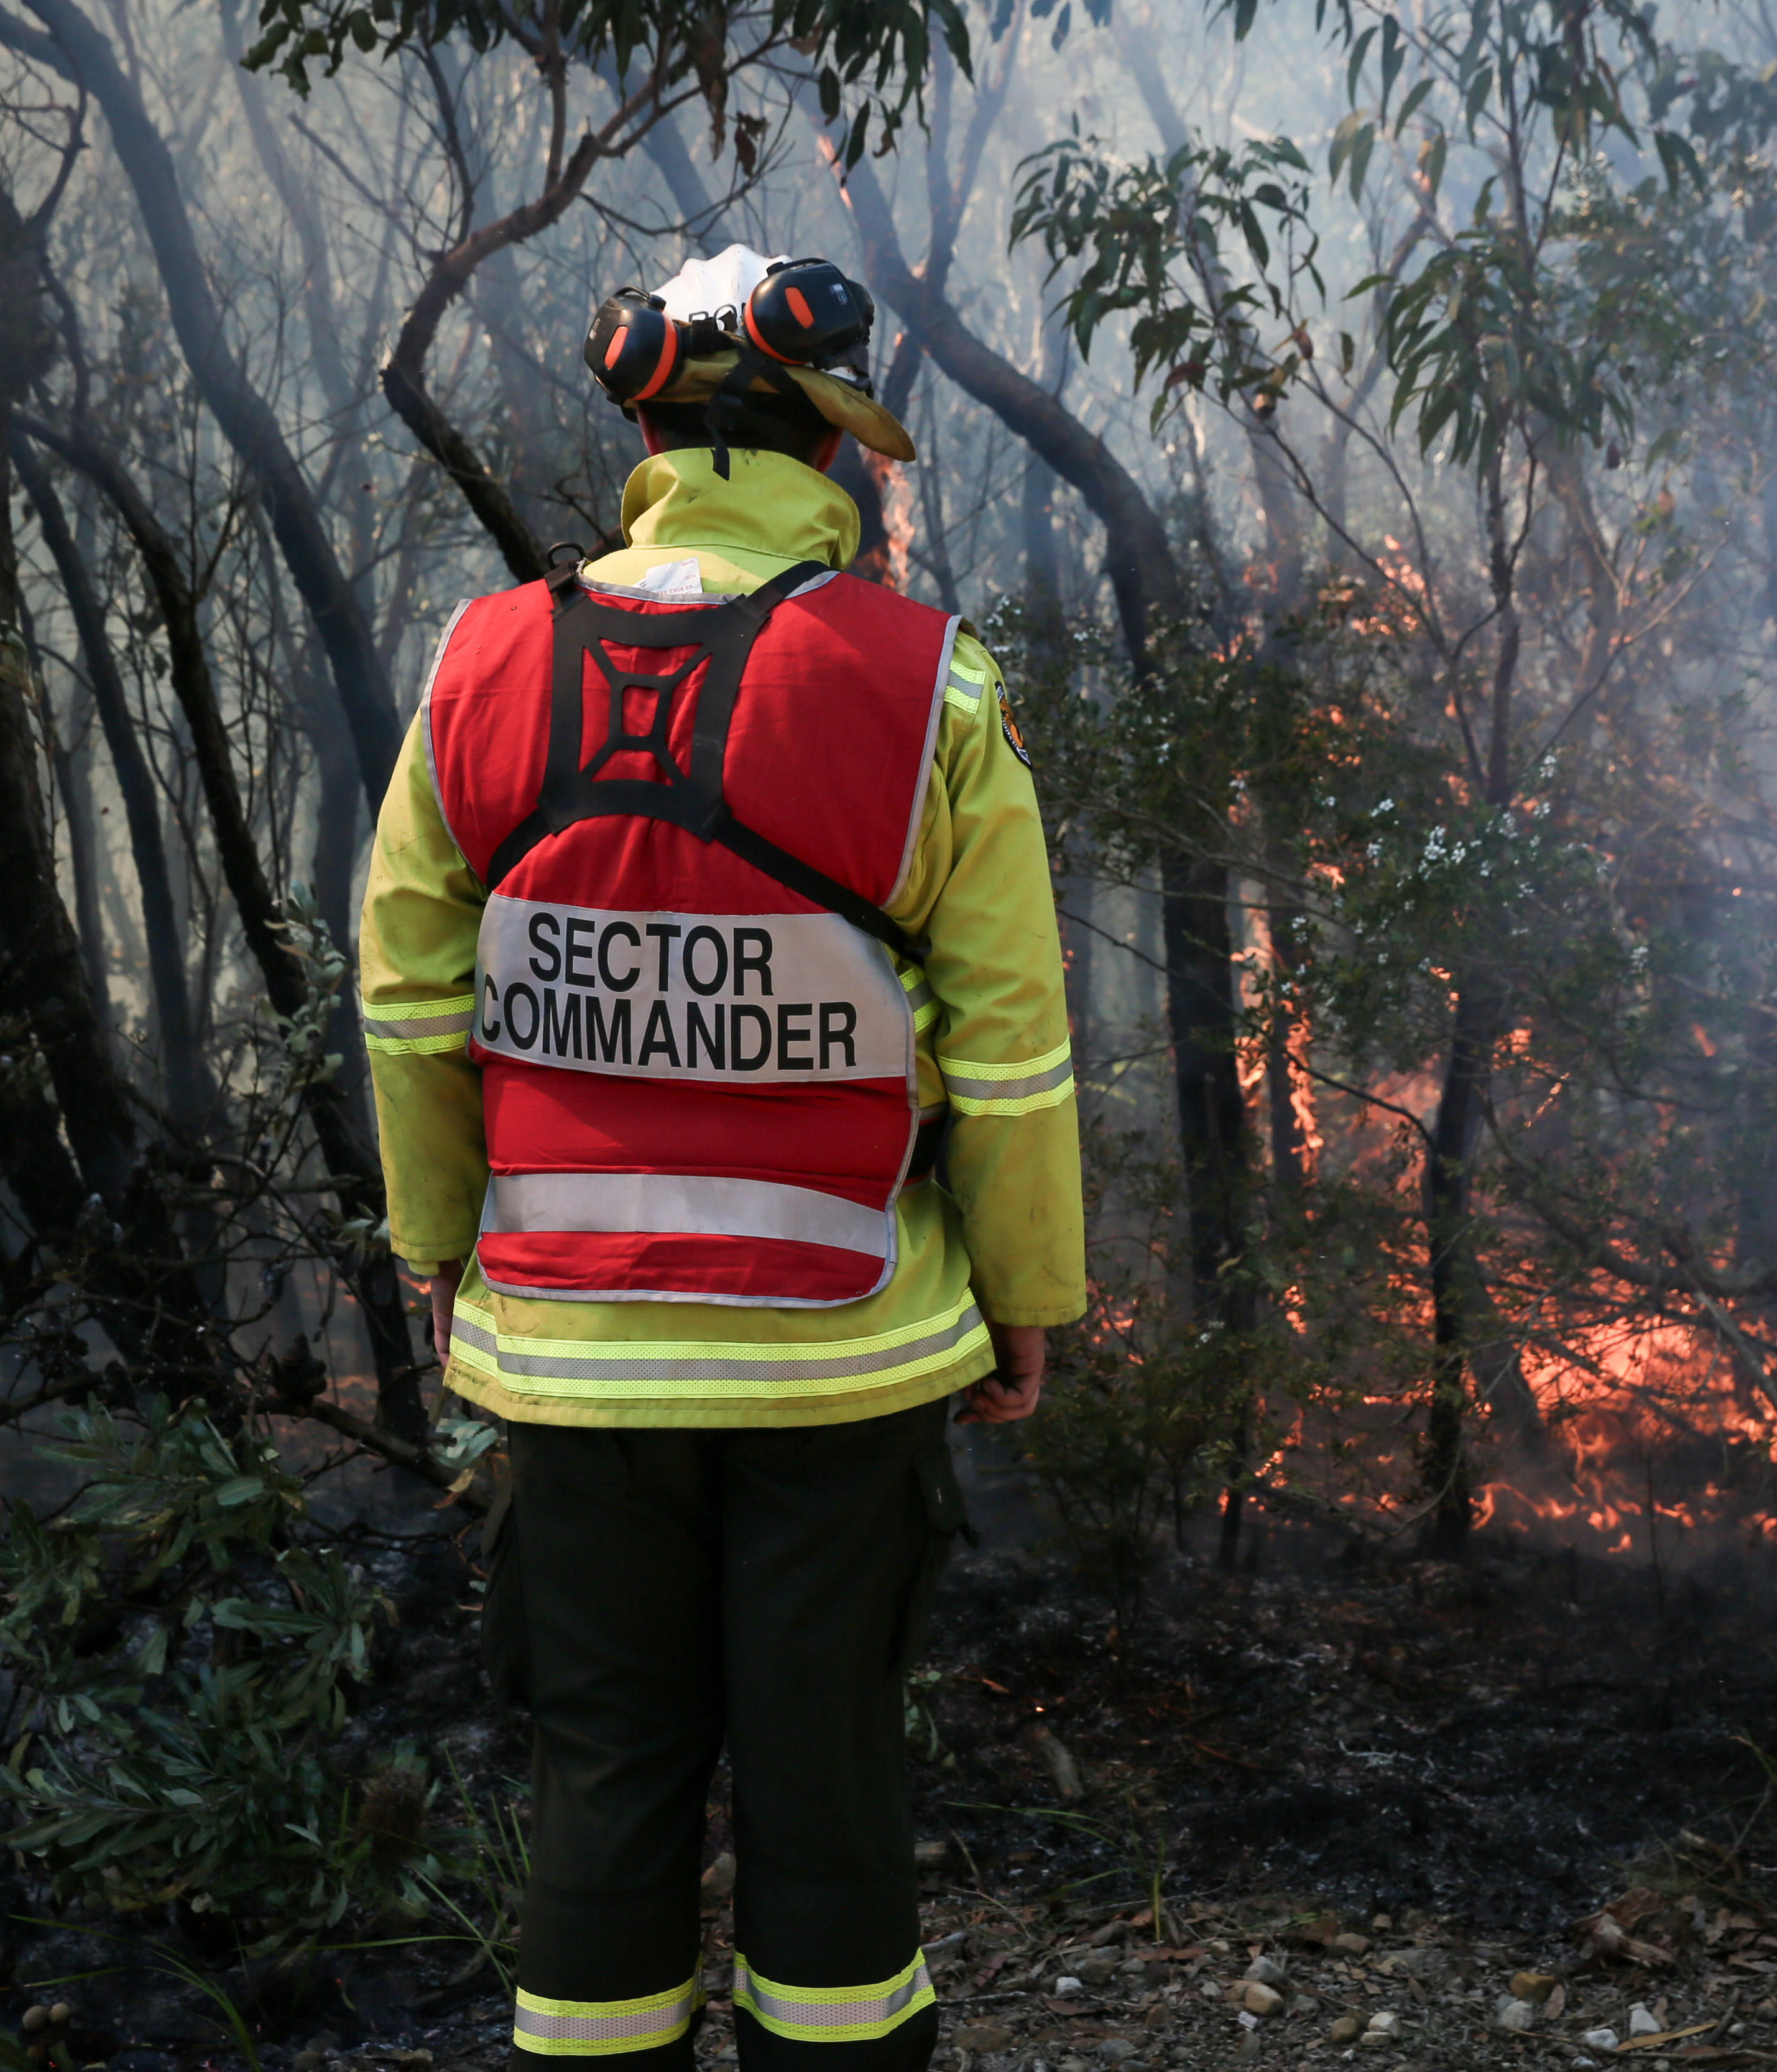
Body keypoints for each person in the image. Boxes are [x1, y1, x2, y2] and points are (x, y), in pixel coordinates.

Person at [357, 244, 1084, 2072]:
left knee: (607, 1773)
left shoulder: (484, 664)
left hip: (572, 1361)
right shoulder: (928, 690)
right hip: (842, 1354)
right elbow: (1009, 1049)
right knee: (826, 1773)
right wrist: (1028, 1301)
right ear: (831, 446)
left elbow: (407, 1003)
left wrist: (439, 1244)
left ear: (649, 434)